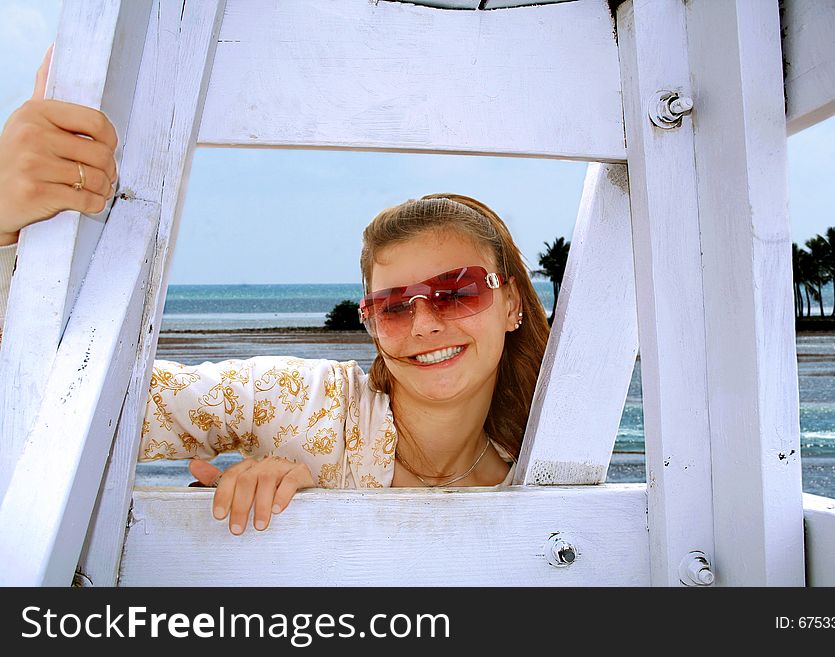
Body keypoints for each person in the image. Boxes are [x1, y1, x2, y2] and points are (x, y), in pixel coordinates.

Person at [0, 49, 551, 536]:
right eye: (393, 306)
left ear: (512, 304)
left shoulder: (555, 456)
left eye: (457, 293)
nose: (426, 324)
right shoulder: (302, 406)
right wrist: (7, 226)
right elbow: (66, 409)